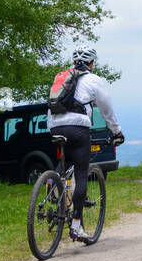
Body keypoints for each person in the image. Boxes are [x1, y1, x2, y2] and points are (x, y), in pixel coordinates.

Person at [46, 46, 124, 241]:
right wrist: (116, 131)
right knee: (82, 174)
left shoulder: (61, 76)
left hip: (54, 126)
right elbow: (106, 109)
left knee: (65, 160)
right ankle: (75, 226)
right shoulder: (93, 80)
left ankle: (52, 182)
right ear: (92, 63)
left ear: (74, 62)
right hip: (78, 128)